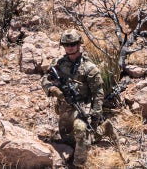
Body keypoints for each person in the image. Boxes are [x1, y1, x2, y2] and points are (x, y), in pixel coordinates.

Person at [43, 30, 103, 169]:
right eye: (66, 44)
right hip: (65, 107)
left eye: (73, 44)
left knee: (80, 129)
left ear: (79, 44)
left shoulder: (89, 68)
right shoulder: (58, 64)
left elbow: (98, 93)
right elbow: (45, 79)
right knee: (67, 139)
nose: (69, 47)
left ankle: (78, 164)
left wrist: (95, 116)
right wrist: (53, 90)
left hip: (82, 105)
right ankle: (98, 133)